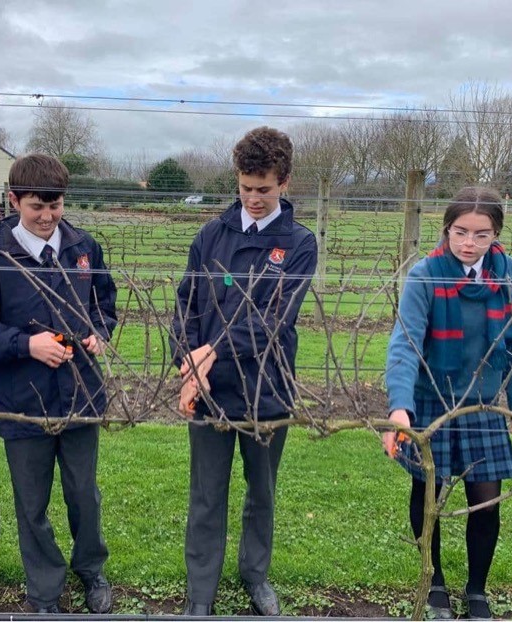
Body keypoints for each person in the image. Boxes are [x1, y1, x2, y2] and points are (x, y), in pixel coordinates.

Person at [0, 153, 117, 614]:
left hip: (80, 394)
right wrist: (26, 345)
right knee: (32, 504)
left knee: (83, 494)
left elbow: (104, 302)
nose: (47, 217)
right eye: (36, 207)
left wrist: (98, 333)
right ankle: (45, 590)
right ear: (14, 202)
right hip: (22, 400)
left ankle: (91, 570)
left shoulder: (84, 247)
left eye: (55, 205)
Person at [170, 127, 318, 616]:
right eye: (246, 188)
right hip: (209, 391)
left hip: (267, 391)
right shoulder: (210, 236)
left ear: (285, 183)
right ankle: (201, 593)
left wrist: (211, 350)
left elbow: (274, 321)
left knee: (262, 493)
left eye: (264, 190)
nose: (254, 199)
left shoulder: (299, 244)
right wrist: (189, 362)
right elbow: (186, 304)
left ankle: (255, 576)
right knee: (206, 497)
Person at [383, 186, 512, 620]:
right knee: (428, 492)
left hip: (483, 406)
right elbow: (405, 345)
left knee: (486, 500)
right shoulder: (426, 275)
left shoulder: (508, 275)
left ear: (496, 234)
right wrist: (400, 407)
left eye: (481, 234)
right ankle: (436, 586)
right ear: (446, 228)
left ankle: (477, 591)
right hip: (432, 402)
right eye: (460, 231)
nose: (469, 242)